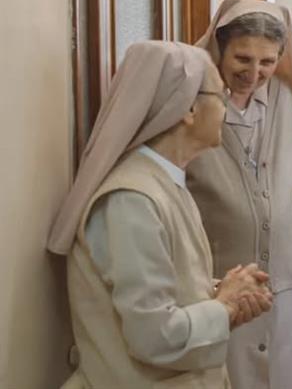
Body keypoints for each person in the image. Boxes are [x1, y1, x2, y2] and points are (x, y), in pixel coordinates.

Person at [47, 41, 272, 389]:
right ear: (189, 109)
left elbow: (169, 292)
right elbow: (154, 337)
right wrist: (225, 306)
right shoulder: (131, 200)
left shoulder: (164, 182)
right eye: (220, 94)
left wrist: (225, 292)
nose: (226, 107)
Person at [187, 0, 292, 389]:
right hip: (217, 277)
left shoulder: (286, 101)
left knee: (283, 375)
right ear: (220, 50)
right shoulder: (192, 102)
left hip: (283, 273)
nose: (254, 72)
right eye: (242, 59)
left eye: (267, 62)